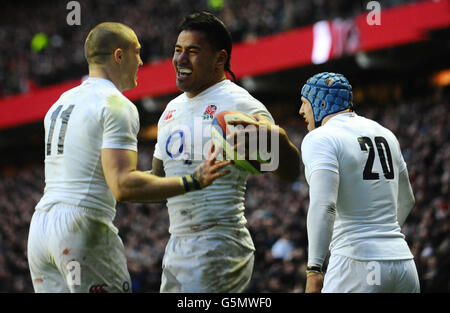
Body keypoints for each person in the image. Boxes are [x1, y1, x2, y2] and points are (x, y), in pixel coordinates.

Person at [27, 22, 231, 293]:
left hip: (41, 230)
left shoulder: (60, 103)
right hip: (81, 228)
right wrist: (193, 181)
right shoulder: (116, 104)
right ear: (119, 55)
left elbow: (102, 176)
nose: (141, 61)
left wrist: (172, 175)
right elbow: (122, 185)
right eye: (137, 52)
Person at [152, 11, 301, 292]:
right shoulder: (170, 110)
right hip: (177, 244)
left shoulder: (240, 105)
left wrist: (278, 139)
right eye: (177, 50)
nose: (181, 59)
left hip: (218, 243)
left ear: (219, 58)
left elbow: (290, 172)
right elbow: (158, 182)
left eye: (193, 51)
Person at [299, 72, 420, 293]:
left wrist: (314, 269)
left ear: (320, 103)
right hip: (404, 264)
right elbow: (408, 200)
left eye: (304, 103)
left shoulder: (321, 137)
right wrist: (383, 242)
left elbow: (324, 205)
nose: (301, 111)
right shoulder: (386, 133)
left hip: (358, 263)